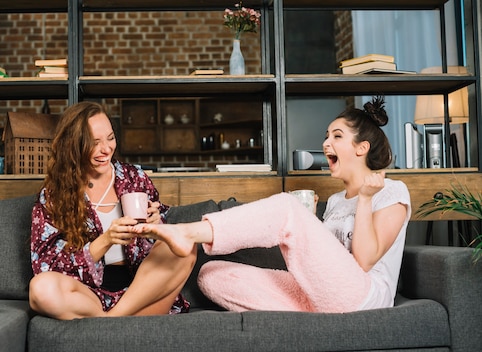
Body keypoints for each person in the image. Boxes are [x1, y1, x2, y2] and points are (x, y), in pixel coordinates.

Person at [134, 96, 411, 313]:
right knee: (212, 274)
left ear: (361, 148)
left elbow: (363, 261)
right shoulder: (337, 201)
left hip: (364, 299)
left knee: (287, 207)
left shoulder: (392, 192)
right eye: (327, 135)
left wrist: (364, 198)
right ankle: (313, 322)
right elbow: (325, 264)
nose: (326, 142)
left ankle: (188, 232)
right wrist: (309, 224)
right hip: (326, 298)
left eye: (337, 136)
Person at [29, 101, 196, 320]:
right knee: (40, 289)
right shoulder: (54, 195)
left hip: (142, 287)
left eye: (110, 138)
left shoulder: (134, 177)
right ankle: (125, 321)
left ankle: (111, 320)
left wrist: (156, 225)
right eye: (94, 142)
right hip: (88, 294)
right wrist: (106, 240)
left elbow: (159, 246)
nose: (106, 149)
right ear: (73, 145)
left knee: (186, 246)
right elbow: (45, 264)